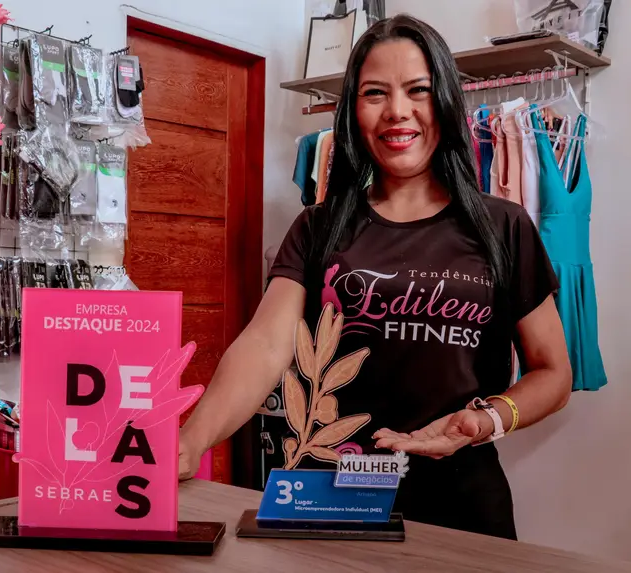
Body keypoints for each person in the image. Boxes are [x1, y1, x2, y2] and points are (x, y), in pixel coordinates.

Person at [178, 14, 572, 541]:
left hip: (461, 506)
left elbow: (553, 373)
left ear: (445, 100)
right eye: (374, 93)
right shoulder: (318, 227)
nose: (397, 111)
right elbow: (265, 345)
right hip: (332, 497)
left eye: (417, 90)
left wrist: (486, 419)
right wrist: (192, 440)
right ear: (352, 112)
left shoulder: (504, 226)